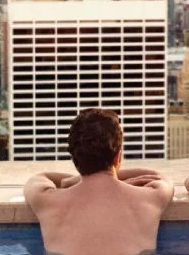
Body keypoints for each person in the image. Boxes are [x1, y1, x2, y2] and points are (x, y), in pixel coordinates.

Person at [23, 108, 175, 255]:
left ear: (75, 159)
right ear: (118, 157)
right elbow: (160, 177)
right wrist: (116, 177)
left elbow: (38, 178)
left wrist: (75, 180)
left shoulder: (47, 201)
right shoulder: (150, 199)